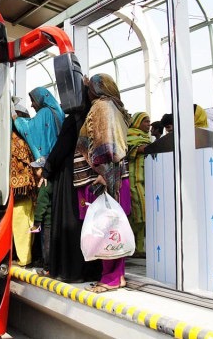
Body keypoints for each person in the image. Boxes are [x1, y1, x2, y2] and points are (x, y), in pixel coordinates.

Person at [41, 78, 101, 283]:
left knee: (69, 221)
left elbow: (61, 148)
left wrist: (47, 171)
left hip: (69, 175)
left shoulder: (74, 119)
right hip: (91, 174)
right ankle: (90, 270)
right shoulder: (93, 116)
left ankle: (70, 270)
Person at [81, 73, 131, 293]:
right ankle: (116, 276)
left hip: (106, 175)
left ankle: (110, 279)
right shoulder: (114, 107)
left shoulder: (102, 106)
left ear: (97, 90)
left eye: (90, 87)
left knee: (106, 227)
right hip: (116, 175)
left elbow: (105, 142)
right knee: (113, 227)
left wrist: (104, 174)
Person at [12, 87, 64, 275]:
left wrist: (14, 118)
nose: (32, 105)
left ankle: (48, 264)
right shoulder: (56, 112)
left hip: (47, 166)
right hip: (58, 167)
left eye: (33, 100)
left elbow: (30, 130)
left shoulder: (44, 113)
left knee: (46, 217)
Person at [10, 104, 39, 268]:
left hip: (20, 191)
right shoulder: (25, 138)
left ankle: (24, 259)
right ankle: (26, 257)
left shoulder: (13, 140)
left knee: (21, 225)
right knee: (28, 223)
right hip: (28, 190)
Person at [126, 112, 151, 259]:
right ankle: (132, 246)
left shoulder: (146, 138)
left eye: (149, 121)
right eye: (145, 121)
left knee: (143, 214)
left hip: (145, 182)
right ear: (137, 122)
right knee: (136, 214)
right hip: (132, 182)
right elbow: (128, 151)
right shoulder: (129, 136)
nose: (148, 124)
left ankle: (140, 248)